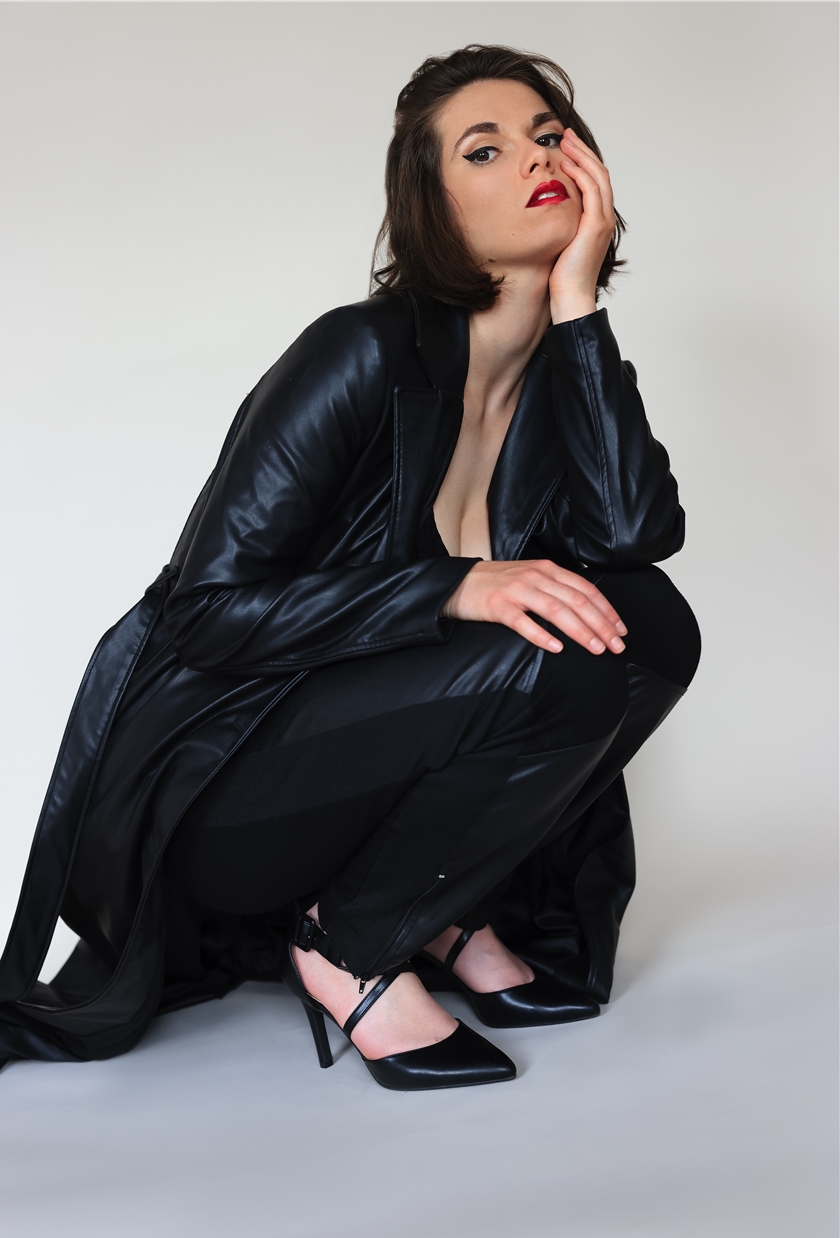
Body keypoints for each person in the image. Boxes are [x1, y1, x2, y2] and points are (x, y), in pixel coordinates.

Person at [0, 44, 700, 1088]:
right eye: (484, 149)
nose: (535, 158)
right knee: (561, 656)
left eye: (551, 134)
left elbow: (633, 540)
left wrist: (580, 310)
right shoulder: (359, 353)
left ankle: (430, 909)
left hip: (365, 776)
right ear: (432, 207)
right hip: (231, 794)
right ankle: (345, 947)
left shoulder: (560, 376)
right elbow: (204, 613)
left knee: (648, 623)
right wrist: (456, 585)